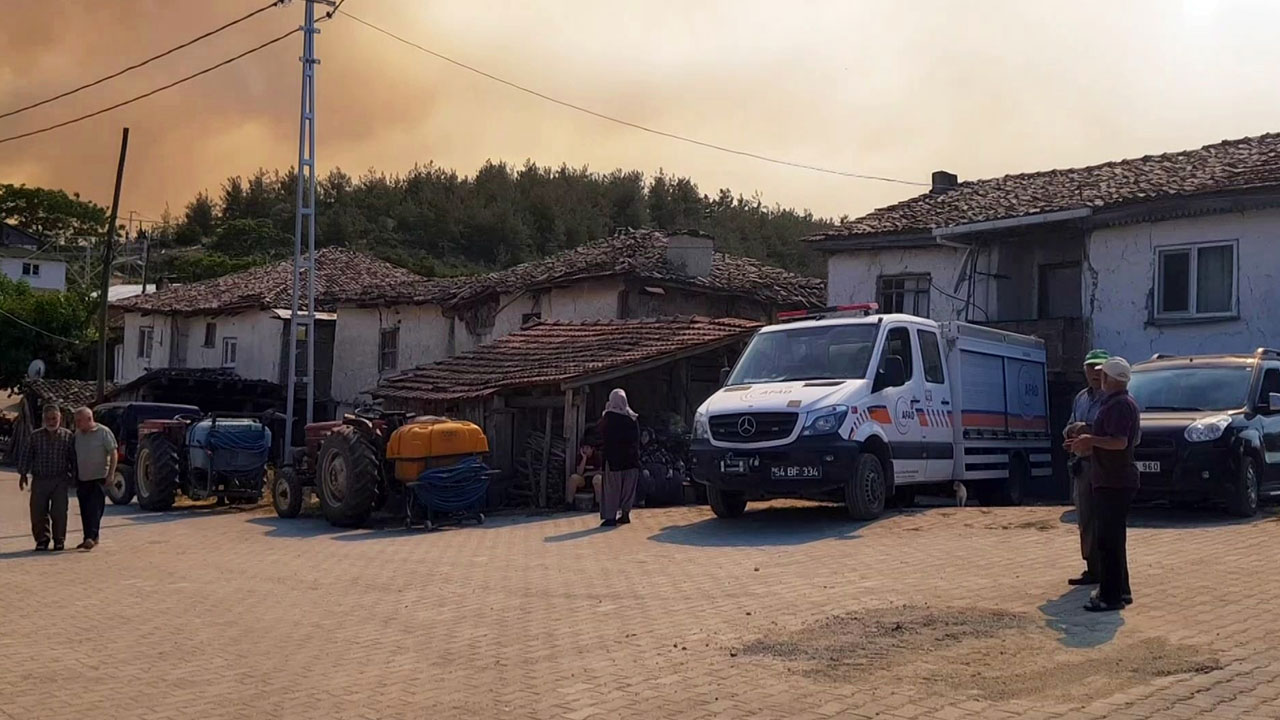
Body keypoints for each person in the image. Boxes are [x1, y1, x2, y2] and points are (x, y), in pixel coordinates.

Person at [1064, 357, 1141, 613]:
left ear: (1113, 379)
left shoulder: (1120, 405)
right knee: (1113, 539)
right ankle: (1122, 589)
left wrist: (1091, 442)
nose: (1100, 379)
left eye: (1103, 375)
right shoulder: (1114, 403)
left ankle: (1110, 596)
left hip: (1115, 481)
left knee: (1109, 541)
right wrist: (1085, 442)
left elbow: (1118, 442)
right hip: (1109, 478)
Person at [1064, 349, 1110, 586]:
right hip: (1081, 465)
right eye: (1091, 367)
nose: (1095, 372)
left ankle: (1106, 569)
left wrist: (1087, 429)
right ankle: (1091, 568)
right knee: (1084, 517)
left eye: (1100, 368)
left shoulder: (1113, 398)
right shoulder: (1082, 397)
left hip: (1104, 464)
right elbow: (1071, 424)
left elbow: (1115, 433)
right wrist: (1071, 432)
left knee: (1103, 518)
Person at [17, 405, 76, 552]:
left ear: (59, 419)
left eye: (54, 418)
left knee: (59, 511)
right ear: (43, 419)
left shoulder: (68, 436)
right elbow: (26, 455)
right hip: (40, 480)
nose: (51, 421)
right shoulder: (35, 436)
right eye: (48, 419)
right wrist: (23, 474)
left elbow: (73, 458)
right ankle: (42, 540)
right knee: (38, 512)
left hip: (60, 480)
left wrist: (74, 476)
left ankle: (59, 540)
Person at [72, 407, 118, 551]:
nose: (77, 424)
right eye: (76, 421)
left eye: (79, 421)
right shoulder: (77, 435)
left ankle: (91, 537)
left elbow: (113, 452)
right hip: (83, 477)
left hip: (99, 477)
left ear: (89, 419)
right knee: (85, 509)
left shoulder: (103, 432)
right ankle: (89, 537)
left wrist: (111, 474)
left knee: (95, 509)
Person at [598, 388, 640, 528]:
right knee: (627, 489)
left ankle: (610, 517)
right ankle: (625, 514)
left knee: (612, 490)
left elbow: (602, 435)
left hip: (613, 460)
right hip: (631, 461)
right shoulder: (632, 418)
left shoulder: (609, 417)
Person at [564, 443, 603, 511]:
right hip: (584, 480)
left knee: (598, 479)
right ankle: (569, 503)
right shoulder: (580, 457)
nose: (585, 450)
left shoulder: (597, 456)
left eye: (587, 448)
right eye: (583, 448)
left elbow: (601, 471)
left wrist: (589, 473)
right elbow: (579, 472)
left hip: (594, 479)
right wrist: (584, 458)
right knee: (573, 478)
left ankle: (598, 503)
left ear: (592, 449)